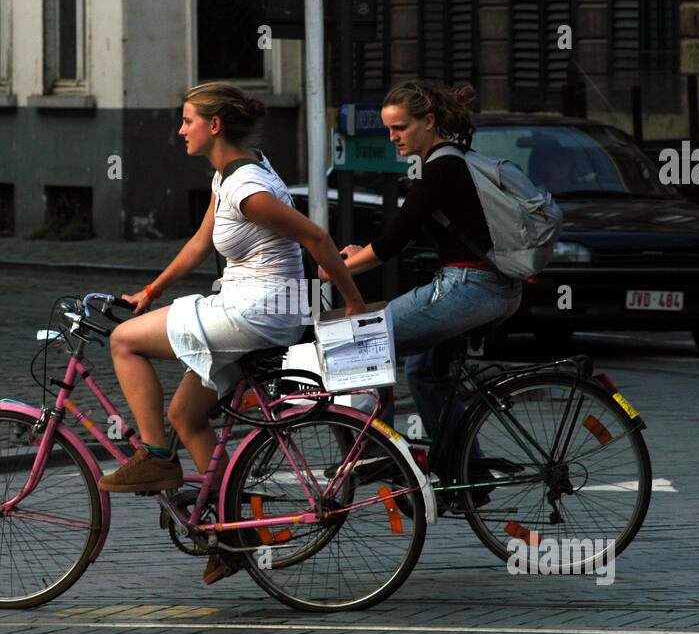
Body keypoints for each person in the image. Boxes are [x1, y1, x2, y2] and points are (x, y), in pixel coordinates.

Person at [100, 83, 365, 580]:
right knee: (186, 414)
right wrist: (152, 291)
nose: (180, 130)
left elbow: (316, 237)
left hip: (258, 310)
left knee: (124, 341)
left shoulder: (247, 189)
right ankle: (231, 532)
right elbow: (202, 241)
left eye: (187, 121)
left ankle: (155, 457)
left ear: (214, 125)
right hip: (247, 304)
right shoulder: (233, 172)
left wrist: (351, 303)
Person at [325, 80, 523, 448]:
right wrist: (360, 252)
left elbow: (391, 244)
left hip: (468, 287)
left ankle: (373, 454)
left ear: (428, 121)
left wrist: (337, 269)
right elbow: (407, 234)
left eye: (400, 128)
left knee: (361, 342)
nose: (392, 138)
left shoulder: (440, 169)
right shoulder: (453, 162)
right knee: (424, 373)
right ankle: (463, 475)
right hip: (491, 288)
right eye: (388, 129)